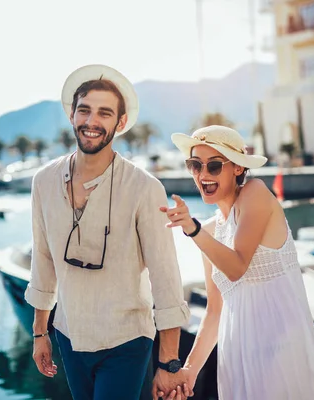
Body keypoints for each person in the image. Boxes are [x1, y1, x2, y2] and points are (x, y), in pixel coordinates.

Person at [25, 64, 192, 400]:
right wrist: (39, 332)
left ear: (120, 123)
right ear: (71, 115)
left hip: (126, 339)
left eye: (104, 113)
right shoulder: (44, 181)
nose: (92, 121)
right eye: (84, 110)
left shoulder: (145, 188)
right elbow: (43, 260)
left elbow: (166, 277)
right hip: (69, 334)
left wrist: (169, 362)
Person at [160, 125, 314, 399]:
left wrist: (192, 230)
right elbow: (214, 312)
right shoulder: (210, 231)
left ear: (238, 168)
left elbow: (237, 266)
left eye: (214, 166)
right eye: (194, 165)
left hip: (281, 348)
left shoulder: (255, 192)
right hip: (237, 353)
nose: (202, 175)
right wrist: (188, 374)